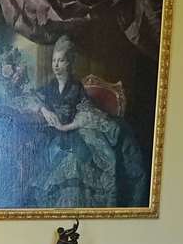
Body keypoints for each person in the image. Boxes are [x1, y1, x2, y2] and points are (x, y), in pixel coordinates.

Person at [32, 36, 147, 209]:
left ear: (70, 63)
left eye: (61, 61)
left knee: (78, 160)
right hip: (52, 134)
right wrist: (44, 110)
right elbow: (34, 99)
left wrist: (65, 127)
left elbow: (85, 112)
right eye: (54, 60)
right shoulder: (49, 86)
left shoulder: (76, 87)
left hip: (73, 131)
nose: (56, 65)